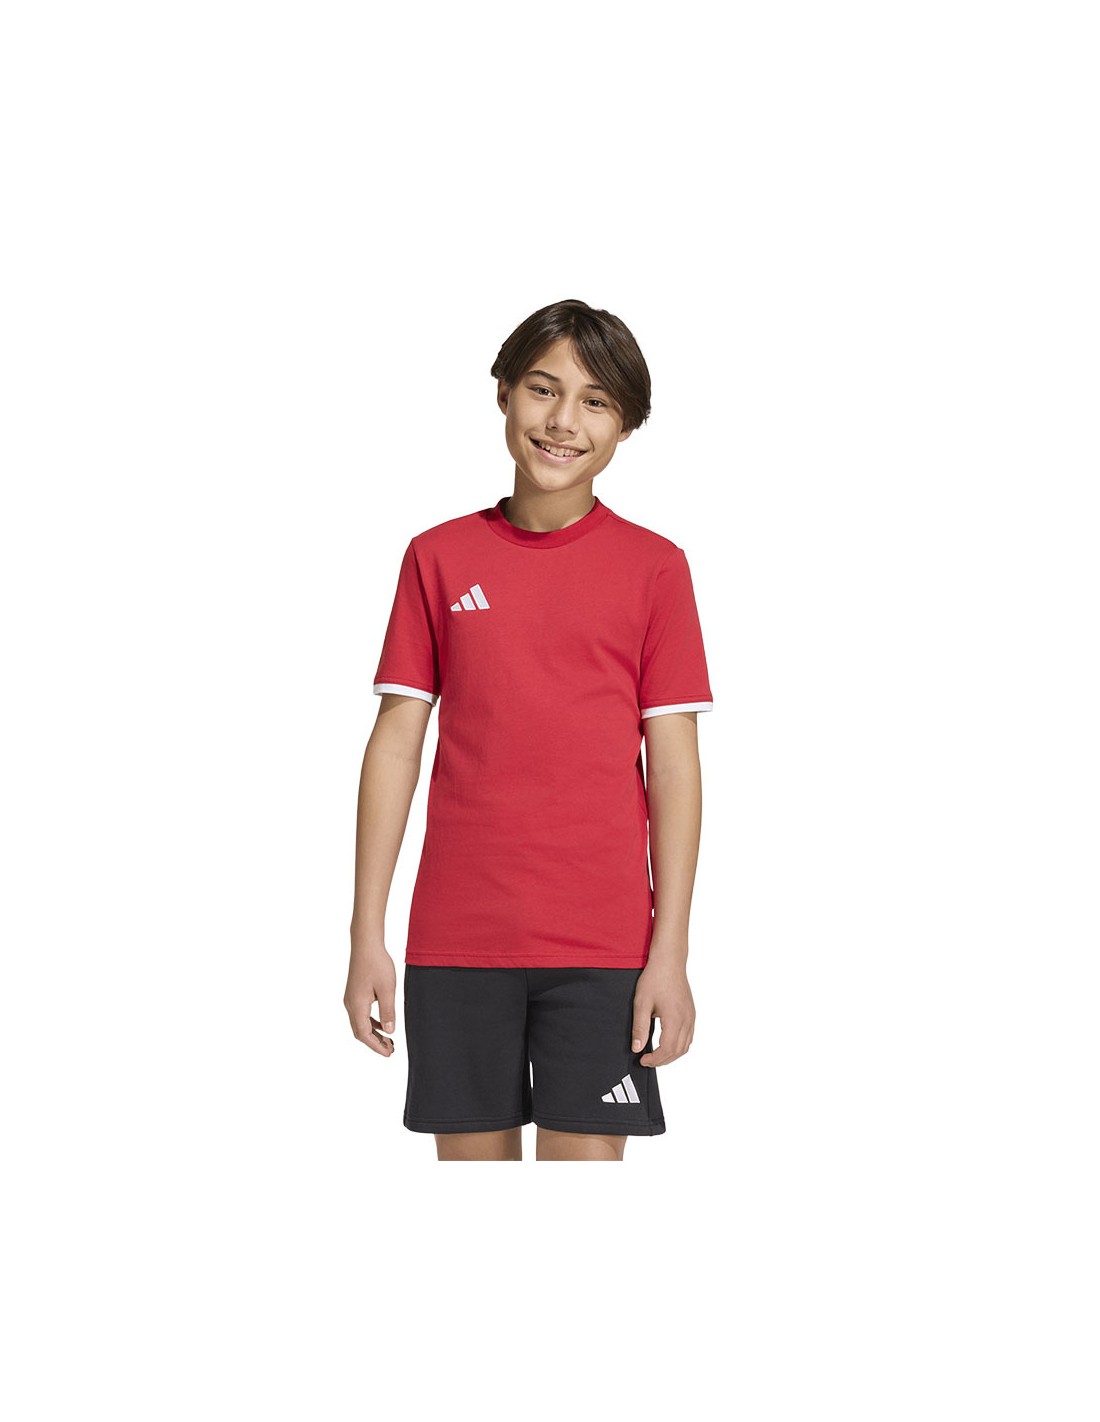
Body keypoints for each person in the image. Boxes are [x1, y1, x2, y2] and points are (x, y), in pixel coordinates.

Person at [344, 299, 714, 1161]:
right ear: (504, 394)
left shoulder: (656, 569)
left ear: (626, 425)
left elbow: (675, 770)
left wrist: (670, 953)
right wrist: (367, 933)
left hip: (604, 950)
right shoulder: (437, 557)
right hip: (457, 942)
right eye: (543, 390)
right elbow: (395, 746)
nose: (562, 421)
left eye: (595, 401)